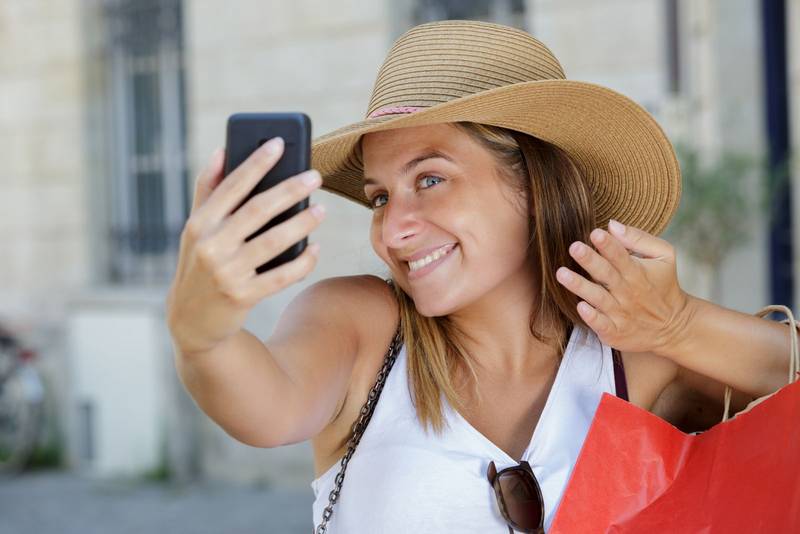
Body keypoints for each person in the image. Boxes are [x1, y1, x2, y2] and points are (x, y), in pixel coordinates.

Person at [165, 20, 794, 533]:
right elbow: (266, 409)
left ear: (533, 185)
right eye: (381, 197)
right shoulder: (360, 325)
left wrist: (678, 324)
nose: (393, 230)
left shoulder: (631, 360)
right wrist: (203, 333)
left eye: (429, 179)